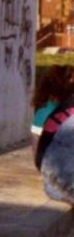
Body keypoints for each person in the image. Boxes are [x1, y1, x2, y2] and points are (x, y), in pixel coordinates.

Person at [33, 66, 74, 204]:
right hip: (60, 179)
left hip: (55, 178)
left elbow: (38, 158)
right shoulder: (51, 112)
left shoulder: (45, 111)